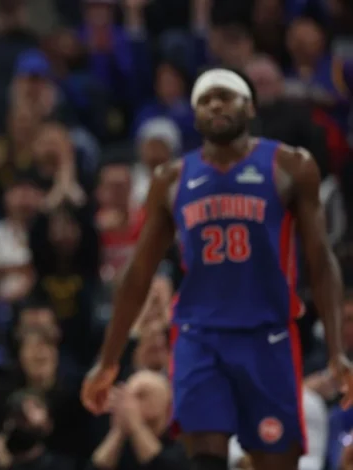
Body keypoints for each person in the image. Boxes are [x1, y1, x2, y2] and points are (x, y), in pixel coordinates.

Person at [80, 67, 353, 470]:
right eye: (205, 101)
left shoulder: (290, 166)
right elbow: (138, 273)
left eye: (224, 96)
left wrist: (336, 350)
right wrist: (108, 361)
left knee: (276, 460)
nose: (215, 105)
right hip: (200, 335)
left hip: (267, 334)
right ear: (194, 116)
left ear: (249, 106)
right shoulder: (171, 179)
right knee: (205, 457)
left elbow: (321, 259)